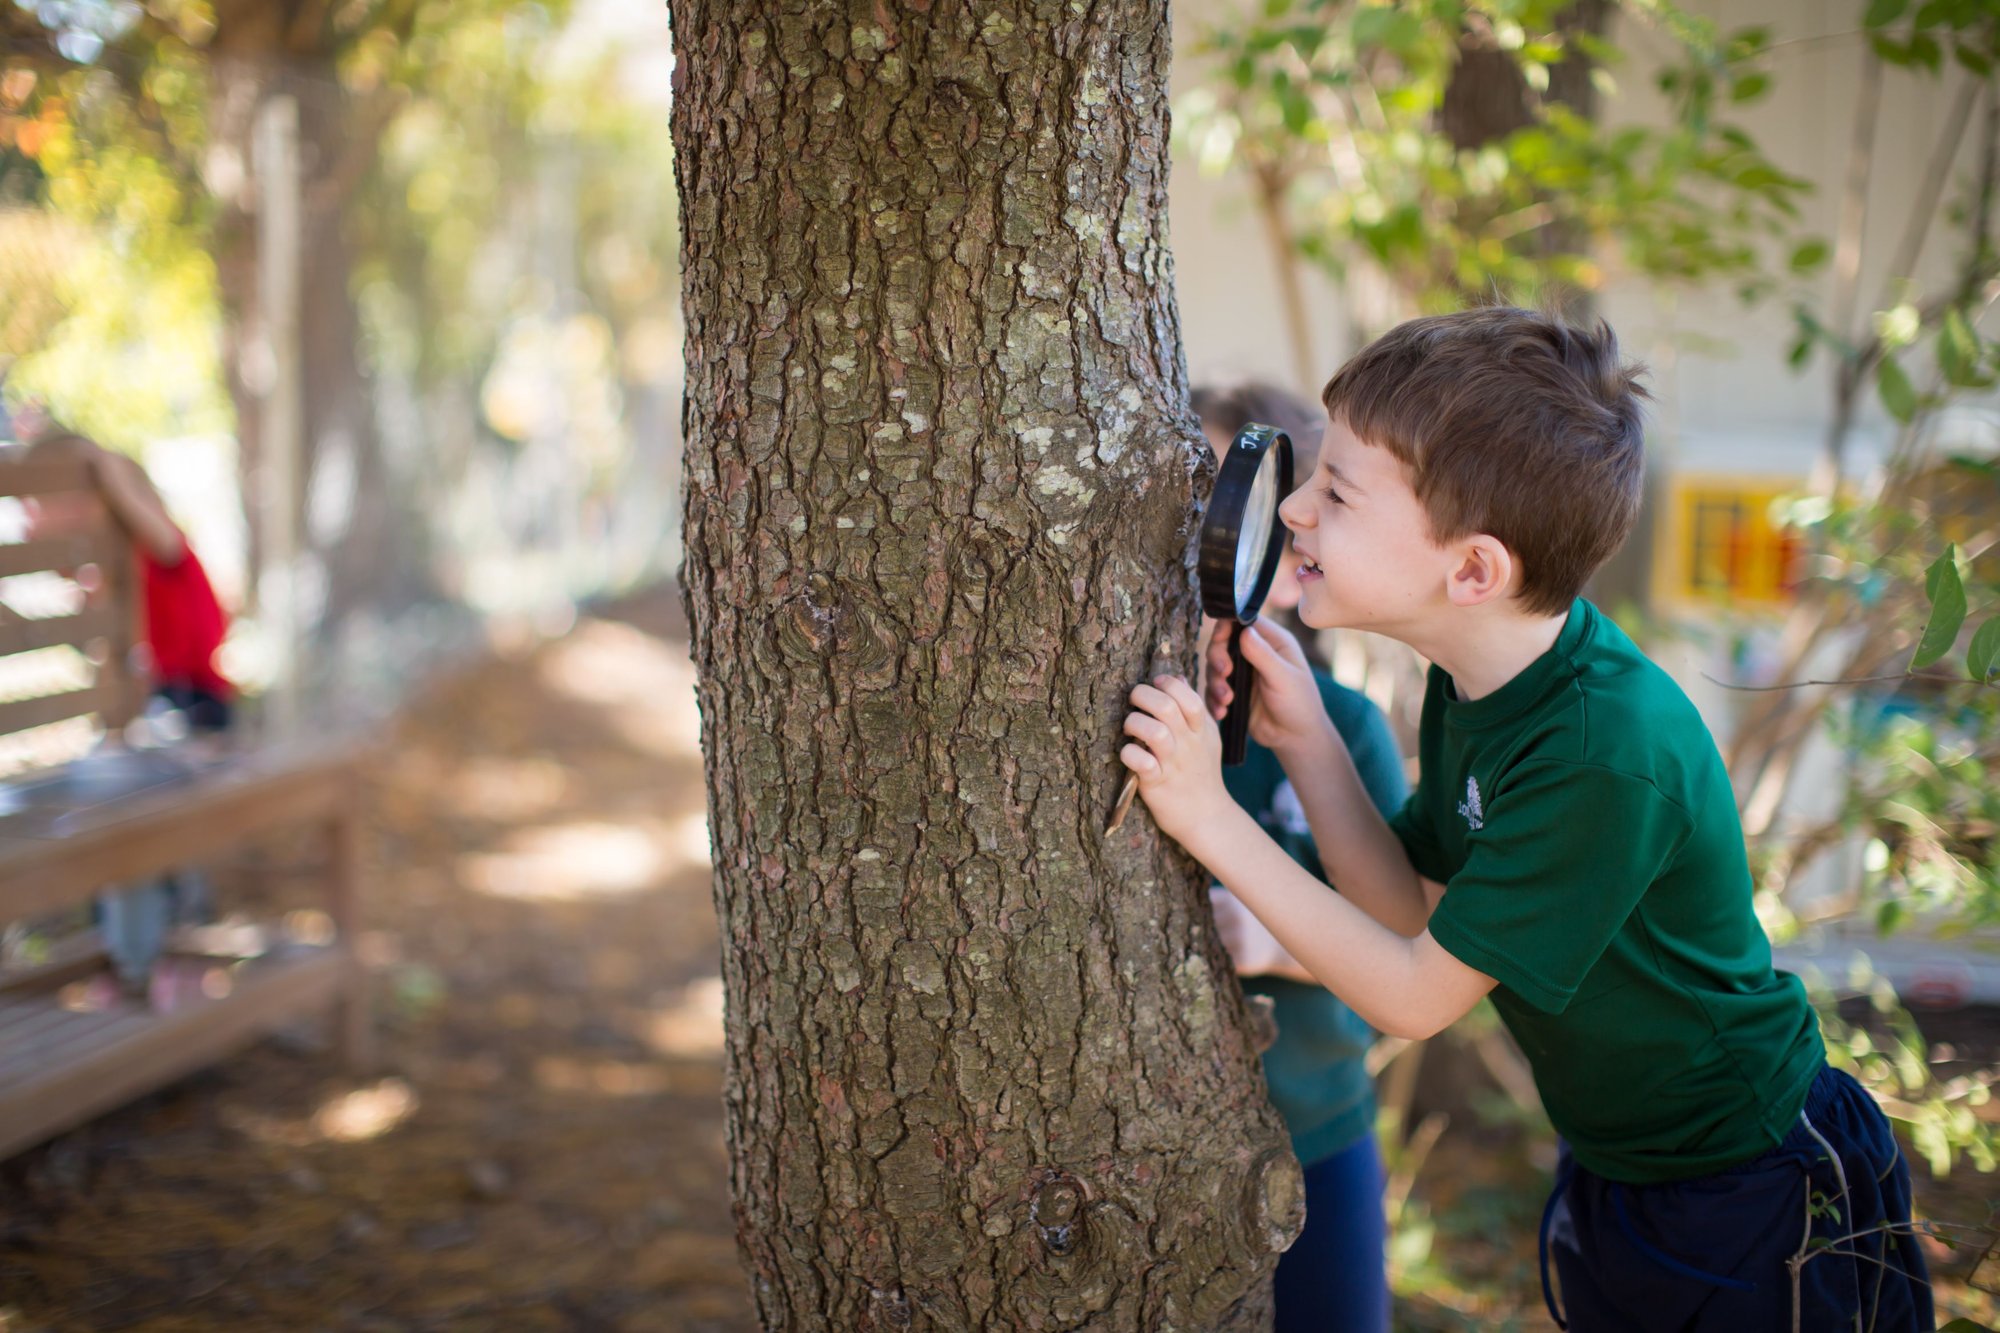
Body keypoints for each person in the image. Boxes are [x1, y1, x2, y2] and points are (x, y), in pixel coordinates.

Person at [1121, 309, 1931, 1331]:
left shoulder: (1600, 750)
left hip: (1748, 1176)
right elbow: (1412, 905)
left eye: (1335, 491)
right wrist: (1311, 747)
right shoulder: (1478, 679)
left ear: (1471, 571)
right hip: (1623, 1162)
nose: (1294, 515)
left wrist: (1208, 818)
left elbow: (1416, 996)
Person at [1192, 381, 1400, 1333]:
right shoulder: (1151, 705)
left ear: (1286, 560)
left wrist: (1273, 938)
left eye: (1226, 513)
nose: (1200, 535)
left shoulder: (1344, 729)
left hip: (1317, 1126)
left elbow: (1407, 943)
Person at [16, 418, 236, 997]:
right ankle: (136, 952)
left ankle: (146, 959)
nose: (31, 517)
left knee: (127, 791)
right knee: (109, 782)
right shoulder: (101, 580)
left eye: (44, 503)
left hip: (191, 710)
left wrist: (99, 467)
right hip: (145, 727)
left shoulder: (160, 554)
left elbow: (154, 534)